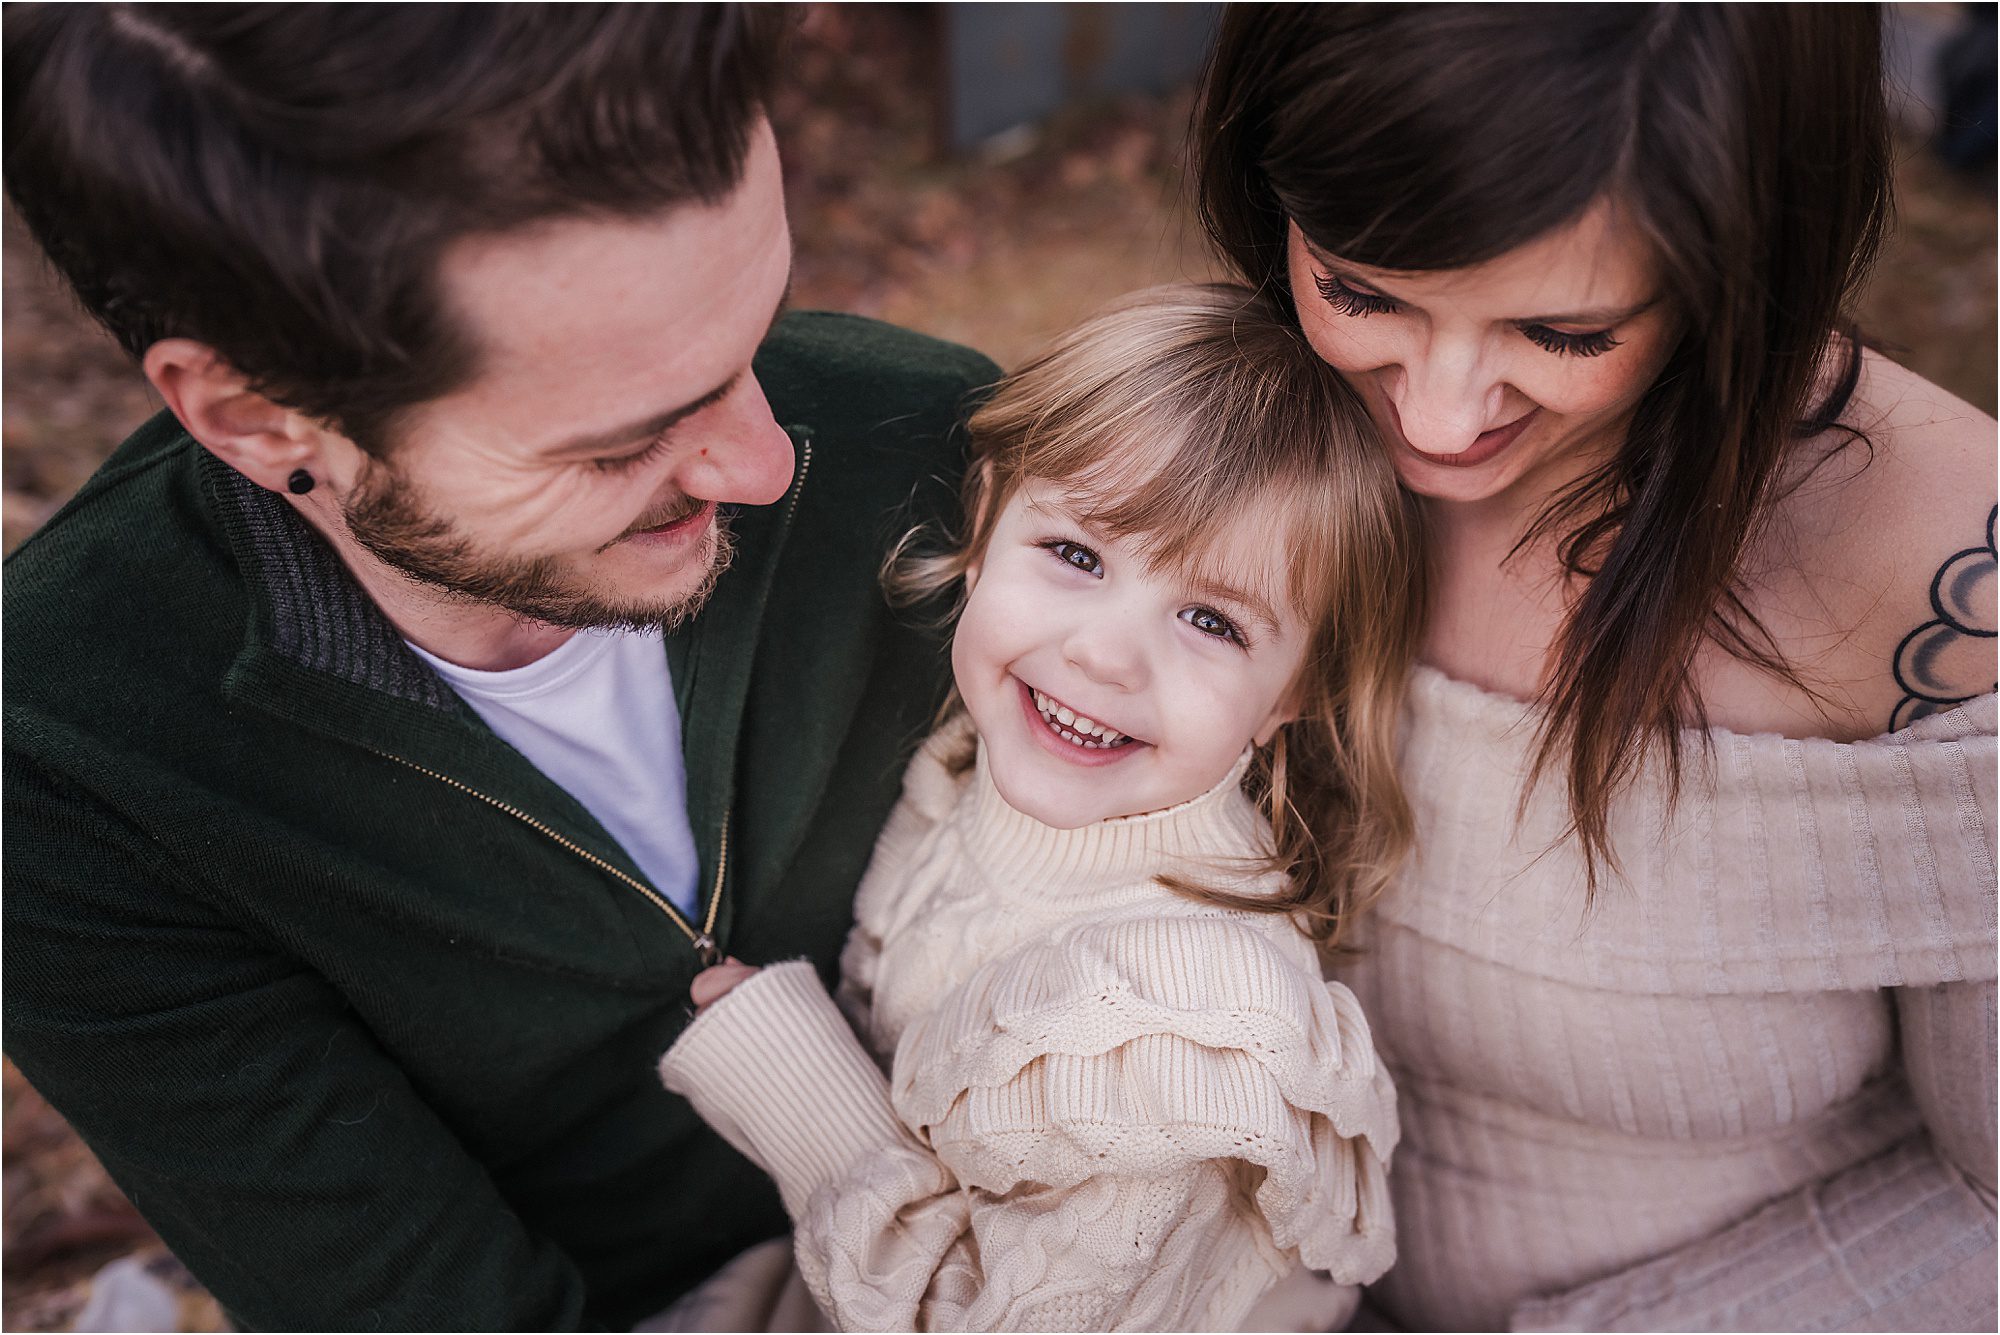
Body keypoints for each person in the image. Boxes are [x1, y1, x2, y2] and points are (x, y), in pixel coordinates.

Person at [1, 6, 996, 1329]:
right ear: (257, 417)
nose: (766, 464)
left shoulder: (926, 435)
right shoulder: (62, 767)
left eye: (754, 336)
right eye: (620, 443)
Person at [1194, 5, 1997, 1331]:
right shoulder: (1239, 425)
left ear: (1745, 263)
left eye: (1561, 334)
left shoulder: (1950, 584)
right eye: (1362, 290)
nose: (1435, 413)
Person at [657, 283, 1422, 1330]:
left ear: (1294, 692)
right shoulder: (963, 760)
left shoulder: (1174, 1043)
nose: (1103, 653)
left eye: (1210, 620)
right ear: (983, 527)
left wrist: (801, 1092)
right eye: (1075, 555)